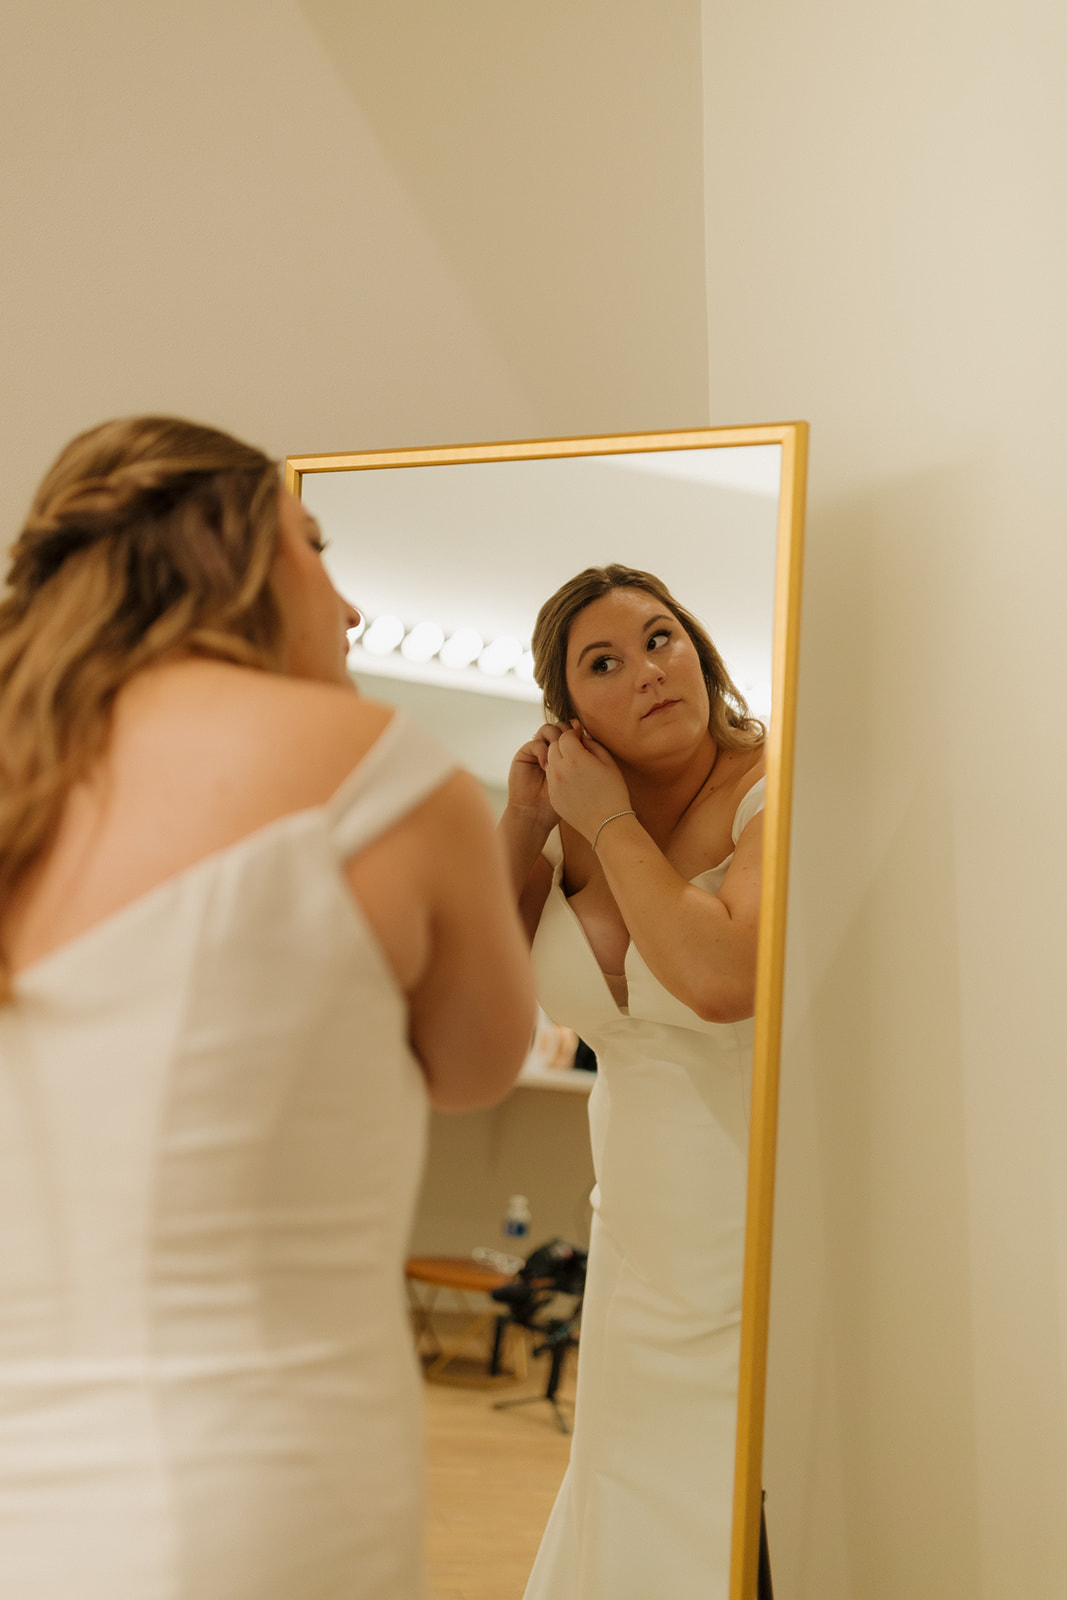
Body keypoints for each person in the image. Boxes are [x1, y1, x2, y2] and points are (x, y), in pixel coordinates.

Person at [0, 416, 536, 1599]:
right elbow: (478, 1062)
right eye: (315, 544)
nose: (345, 609)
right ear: (226, 548)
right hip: (255, 1480)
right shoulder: (381, 769)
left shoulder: (19, 777)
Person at [500, 564, 766, 1600]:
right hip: (635, 1233)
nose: (649, 670)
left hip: (759, 1221)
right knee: (622, 1487)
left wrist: (607, 821)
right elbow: (465, 984)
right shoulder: (559, 818)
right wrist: (527, 821)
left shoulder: (770, 787)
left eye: (661, 638)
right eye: (603, 663)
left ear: (697, 647)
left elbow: (714, 979)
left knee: (735, 1506)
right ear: (570, 717)